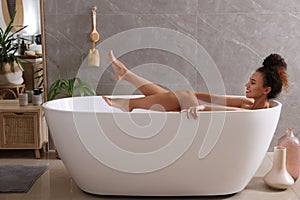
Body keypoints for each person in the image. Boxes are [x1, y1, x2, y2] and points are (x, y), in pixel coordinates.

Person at [103, 50, 288, 119]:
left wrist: (202, 108)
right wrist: (193, 94)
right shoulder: (247, 102)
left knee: (181, 99)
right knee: (179, 98)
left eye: (253, 83)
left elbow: (235, 113)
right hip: (206, 121)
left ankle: (129, 103)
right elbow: (217, 99)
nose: (247, 85)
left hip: (213, 135)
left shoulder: (259, 112)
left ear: (266, 90)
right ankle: (126, 75)